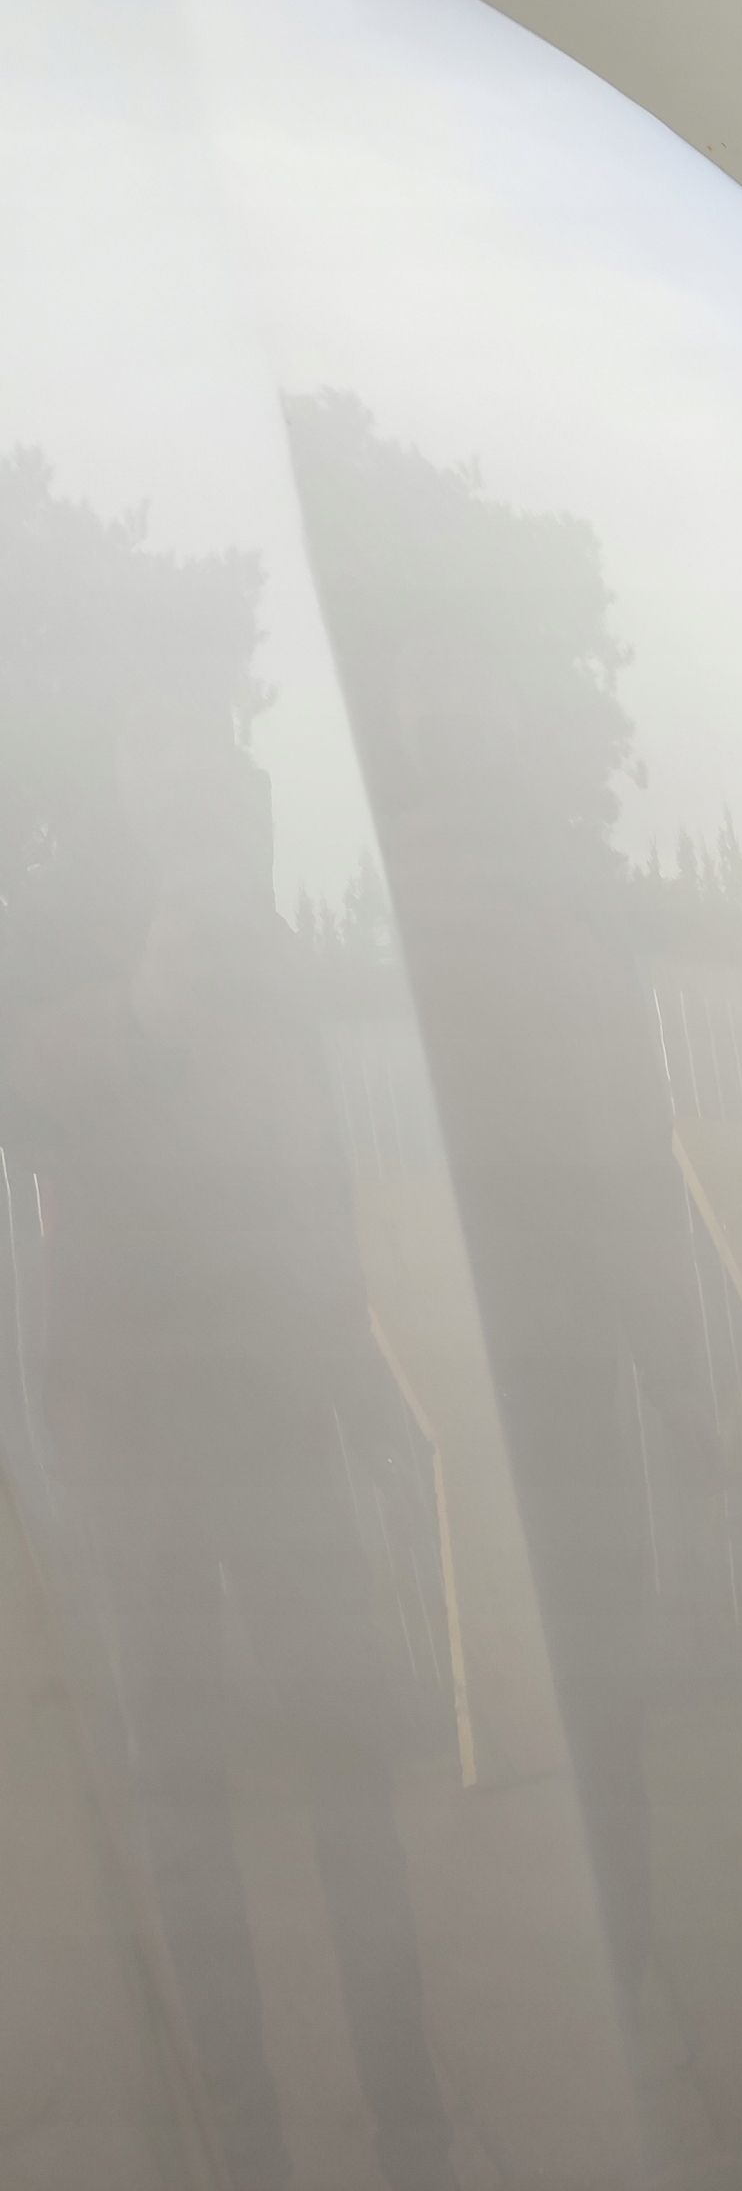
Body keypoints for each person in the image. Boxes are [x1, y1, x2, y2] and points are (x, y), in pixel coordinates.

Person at [1, 649, 453, 2191]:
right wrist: (139, 1012)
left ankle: (414, 2127)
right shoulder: (47, 907)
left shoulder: (253, 918)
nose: (179, 757)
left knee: (351, 1763)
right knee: (179, 1780)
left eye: (198, 729)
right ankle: (237, 2138)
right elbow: (22, 1095)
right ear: (113, 757)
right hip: (132, 1418)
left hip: (276, 1402)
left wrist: (360, 1380)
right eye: (151, 729)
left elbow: (309, 1151)